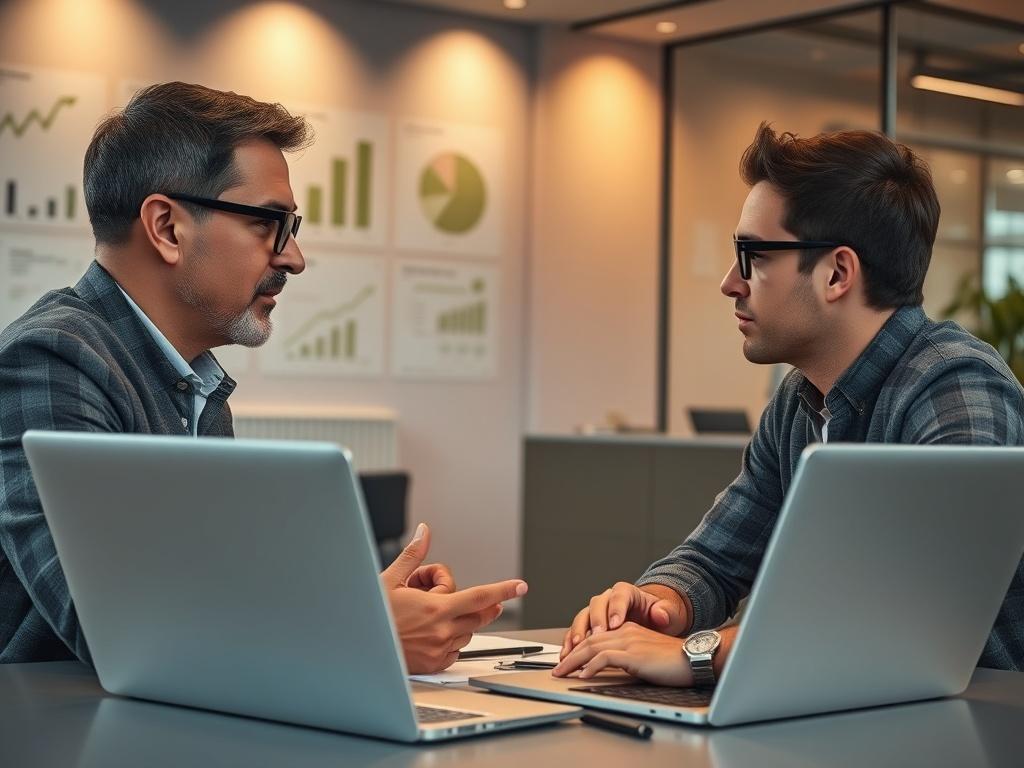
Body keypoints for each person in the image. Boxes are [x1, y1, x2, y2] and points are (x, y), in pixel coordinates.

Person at [0, 82, 525, 671]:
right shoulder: (49, 360)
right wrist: (356, 629)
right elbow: (113, 627)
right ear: (167, 228)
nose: (293, 256)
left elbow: (210, 593)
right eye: (269, 223)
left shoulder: (196, 386)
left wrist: (362, 602)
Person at [554, 123, 1024, 686]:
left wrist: (696, 652)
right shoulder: (799, 403)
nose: (731, 282)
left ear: (837, 273)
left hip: (969, 726)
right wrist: (657, 604)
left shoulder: (955, 387)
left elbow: (908, 617)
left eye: (752, 255)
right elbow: (717, 558)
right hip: (844, 713)